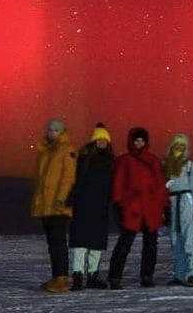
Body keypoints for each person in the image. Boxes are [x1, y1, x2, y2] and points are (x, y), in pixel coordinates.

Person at [107, 127, 168, 289]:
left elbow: (160, 185)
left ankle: (147, 276)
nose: (139, 143)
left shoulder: (153, 160)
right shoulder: (124, 160)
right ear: (131, 141)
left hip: (150, 208)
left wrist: (165, 206)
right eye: (136, 140)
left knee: (150, 246)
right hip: (132, 208)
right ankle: (115, 277)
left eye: (141, 140)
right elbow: (118, 183)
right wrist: (118, 204)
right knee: (124, 244)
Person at [67, 123, 116, 291]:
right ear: (94, 141)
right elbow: (78, 180)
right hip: (84, 204)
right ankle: (78, 276)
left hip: (100, 206)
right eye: (99, 139)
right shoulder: (85, 157)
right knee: (81, 243)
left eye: (104, 139)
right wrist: (71, 198)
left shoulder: (110, 161)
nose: (102, 142)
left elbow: (112, 184)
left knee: (96, 243)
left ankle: (93, 276)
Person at [31, 117, 77, 293]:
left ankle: (62, 279)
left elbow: (68, 178)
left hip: (58, 206)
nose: (52, 133)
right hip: (46, 206)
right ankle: (56, 276)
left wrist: (62, 199)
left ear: (62, 132)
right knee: (52, 243)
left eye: (56, 130)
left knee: (58, 242)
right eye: (50, 130)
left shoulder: (67, 151)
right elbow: (41, 181)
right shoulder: (45, 152)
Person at [163, 132, 193, 286]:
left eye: (182, 145)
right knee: (175, 240)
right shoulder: (166, 166)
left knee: (189, 239)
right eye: (177, 144)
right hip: (172, 202)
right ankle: (180, 274)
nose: (179, 147)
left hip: (186, 202)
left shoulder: (190, 166)